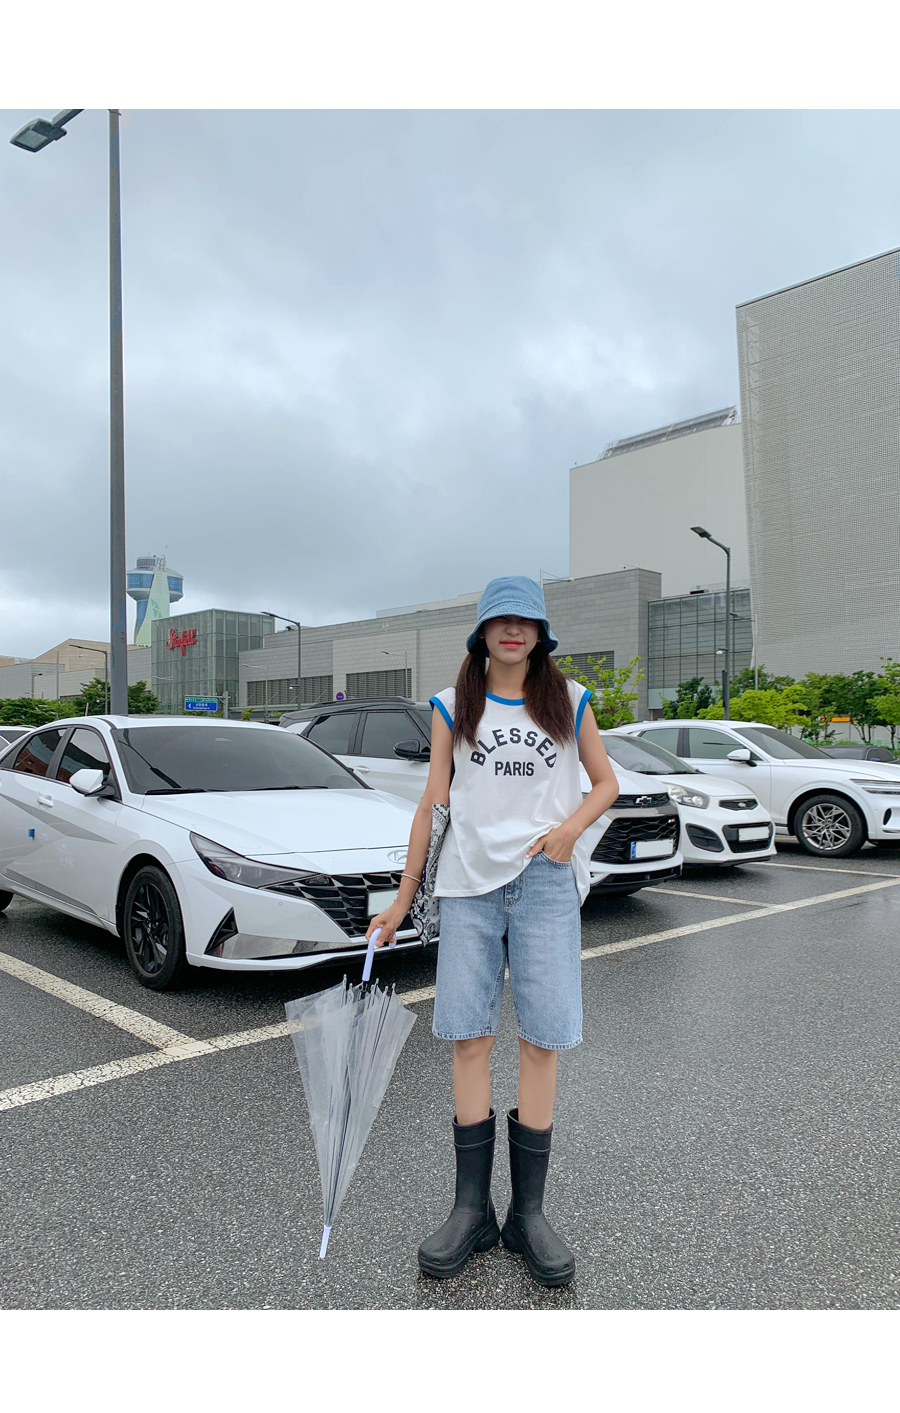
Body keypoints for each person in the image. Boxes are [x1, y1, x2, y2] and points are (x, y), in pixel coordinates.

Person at [367, 575, 620, 1287]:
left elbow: (606, 783)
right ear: (482, 632)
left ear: (540, 633)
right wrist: (402, 897)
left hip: (545, 884)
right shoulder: (454, 705)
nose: (514, 630)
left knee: (542, 1039)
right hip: (469, 888)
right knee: (469, 1037)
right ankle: (471, 1210)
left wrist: (569, 830)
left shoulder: (570, 700)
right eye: (501, 620)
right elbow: (433, 803)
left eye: (525, 621)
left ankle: (527, 1215)